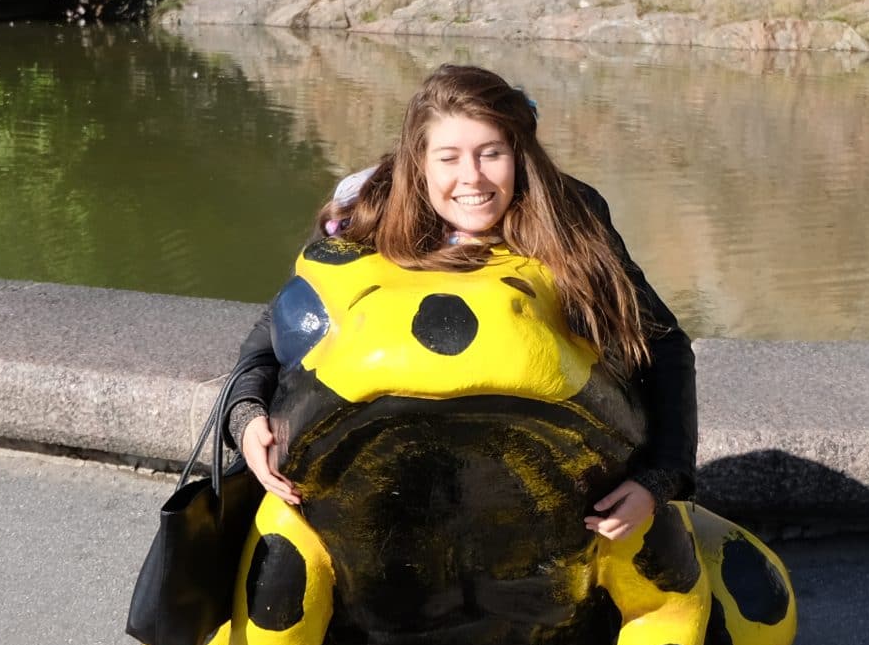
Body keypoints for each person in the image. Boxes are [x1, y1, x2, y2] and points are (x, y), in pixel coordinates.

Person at [220, 64, 695, 540]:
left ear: (519, 155)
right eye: (448, 158)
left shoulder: (571, 217)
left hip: (547, 506)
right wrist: (244, 414)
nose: (472, 177)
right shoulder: (365, 216)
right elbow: (275, 336)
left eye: (491, 153)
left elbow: (662, 342)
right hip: (377, 507)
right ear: (418, 161)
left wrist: (658, 478)